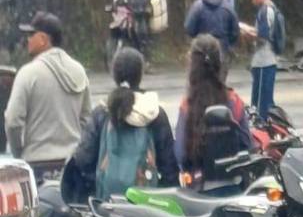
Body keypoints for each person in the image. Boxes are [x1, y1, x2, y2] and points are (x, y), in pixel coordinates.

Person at [72, 47, 178, 197]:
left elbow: (84, 159)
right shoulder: (154, 113)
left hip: (108, 206)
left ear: (114, 74)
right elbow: (169, 167)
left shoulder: (102, 112)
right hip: (148, 205)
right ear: (140, 74)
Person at [4, 12, 91, 179]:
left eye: (31, 35)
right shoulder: (79, 70)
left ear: (43, 39)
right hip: (71, 165)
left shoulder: (28, 73)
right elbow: (86, 120)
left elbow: (12, 121)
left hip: (37, 165)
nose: (27, 40)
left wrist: (18, 153)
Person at [174, 34, 253, 188]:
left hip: (198, 188)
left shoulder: (187, 106)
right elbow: (247, 146)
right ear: (219, 64)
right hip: (233, 185)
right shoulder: (235, 102)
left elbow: (181, 155)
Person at [184, 0, 240, 72]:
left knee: (200, 86)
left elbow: (189, 28)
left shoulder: (197, 6)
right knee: (218, 85)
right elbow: (235, 33)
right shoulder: (228, 9)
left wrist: (199, 39)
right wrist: (226, 43)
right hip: (221, 55)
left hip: (200, 56)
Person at [245, 0, 280, 120]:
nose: (252, 0)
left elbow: (263, 36)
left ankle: (262, 130)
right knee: (266, 100)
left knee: (260, 104)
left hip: (263, 62)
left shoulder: (265, 10)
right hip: (267, 60)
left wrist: (248, 34)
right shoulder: (272, 8)